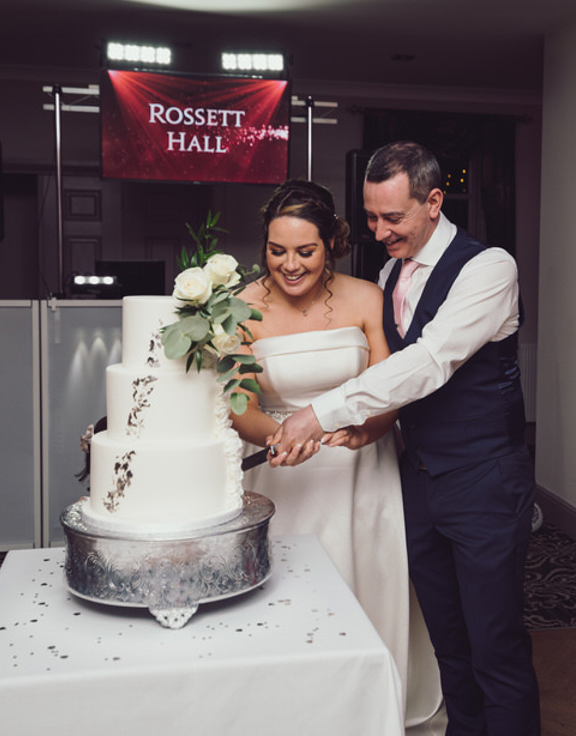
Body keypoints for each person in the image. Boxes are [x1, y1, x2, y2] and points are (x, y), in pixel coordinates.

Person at [270, 143, 541, 736]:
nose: (378, 230)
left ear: (434, 201)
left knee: (495, 647)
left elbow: (429, 362)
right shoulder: (390, 273)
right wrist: (363, 427)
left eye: (392, 217)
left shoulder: (489, 268)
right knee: (449, 643)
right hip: (416, 484)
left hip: (484, 484)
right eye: (370, 216)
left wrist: (320, 412)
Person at [232, 178, 445, 731]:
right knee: (285, 600)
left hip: (359, 470)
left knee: (362, 588)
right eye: (277, 252)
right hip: (283, 472)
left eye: (306, 251)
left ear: (332, 244)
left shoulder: (366, 297)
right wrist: (280, 437)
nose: (291, 265)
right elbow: (238, 404)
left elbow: (388, 390)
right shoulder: (240, 308)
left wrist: (368, 431)